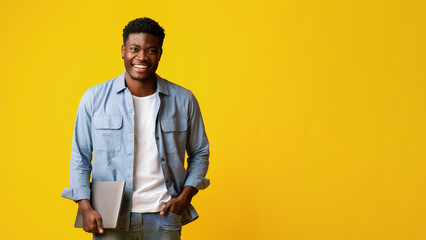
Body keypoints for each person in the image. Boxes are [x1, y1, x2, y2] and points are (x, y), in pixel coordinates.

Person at [62, 17, 210, 240]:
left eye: (150, 50)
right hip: (109, 217)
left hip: (164, 217)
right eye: (134, 49)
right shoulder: (94, 98)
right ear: (123, 50)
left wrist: (186, 196)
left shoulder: (184, 99)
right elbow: (80, 156)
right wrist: (84, 205)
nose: (141, 57)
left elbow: (200, 152)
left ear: (160, 53)